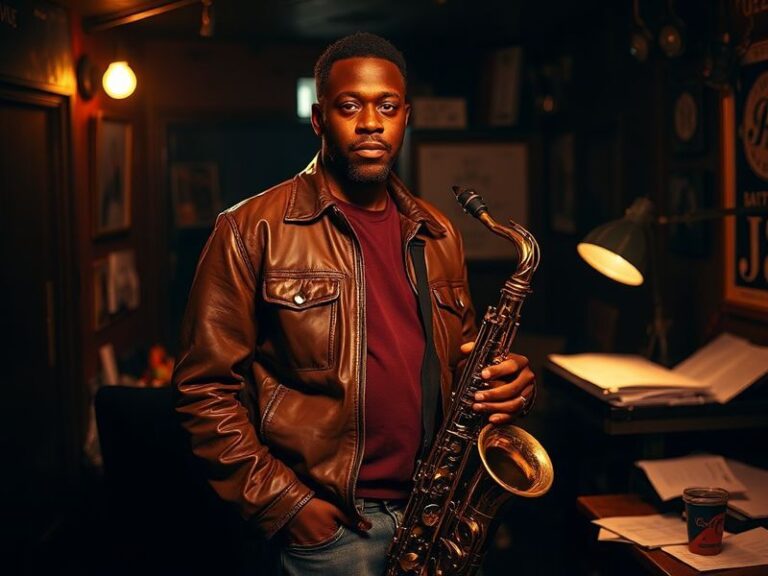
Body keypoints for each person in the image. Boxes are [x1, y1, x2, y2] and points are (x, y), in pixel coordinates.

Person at [172, 32, 537, 576]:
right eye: (350, 106)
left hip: (437, 514)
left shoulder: (440, 234)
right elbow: (203, 391)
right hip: (332, 530)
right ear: (320, 119)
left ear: (405, 116)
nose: (371, 123)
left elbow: (456, 370)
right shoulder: (250, 230)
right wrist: (286, 505)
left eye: (387, 107)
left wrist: (504, 386)